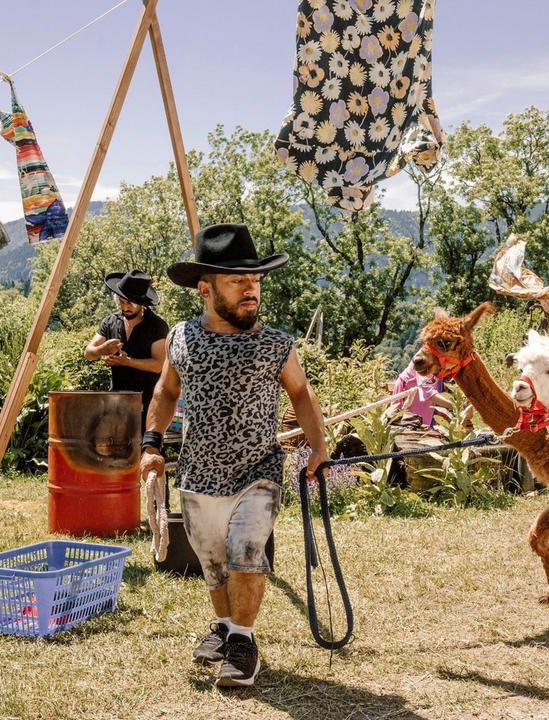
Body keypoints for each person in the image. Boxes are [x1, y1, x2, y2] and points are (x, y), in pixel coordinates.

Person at [140, 223, 329, 688]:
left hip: (258, 470)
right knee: (213, 562)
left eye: (256, 280)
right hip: (198, 471)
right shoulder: (182, 338)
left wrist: (319, 446)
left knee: (246, 553)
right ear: (205, 288)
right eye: (238, 280)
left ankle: (243, 642)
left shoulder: (276, 343)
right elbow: (166, 391)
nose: (252, 289)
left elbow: (301, 394)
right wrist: (151, 444)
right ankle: (224, 627)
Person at [83, 270, 169, 422]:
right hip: (116, 402)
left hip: (148, 404)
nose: (125, 307)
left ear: (142, 303)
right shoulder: (110, 322)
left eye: (130, 303)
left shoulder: (157, 326)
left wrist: (127, 361)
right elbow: (88, 353)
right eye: (121, 301)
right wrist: (100, 350)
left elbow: (158, 365)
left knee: (141, 445)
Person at [389, 364, 453, 428]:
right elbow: (429, 392)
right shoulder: (426, 360)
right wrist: (455, 407)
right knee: (413, 424)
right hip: (414, 390)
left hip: (421, 391)